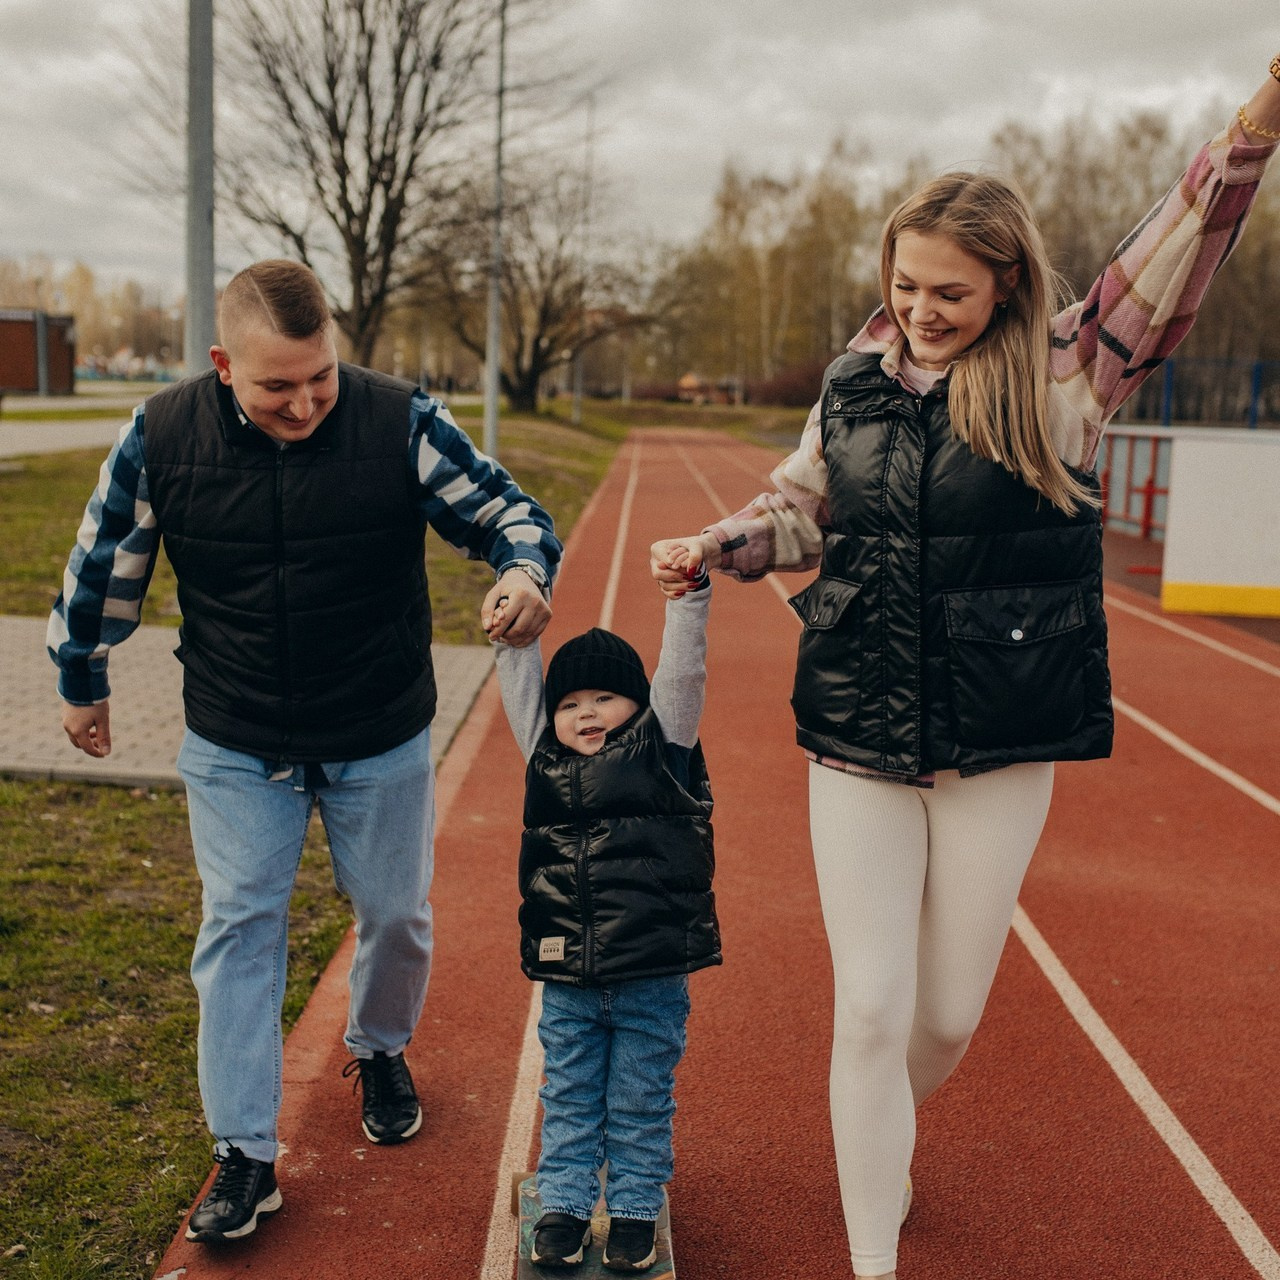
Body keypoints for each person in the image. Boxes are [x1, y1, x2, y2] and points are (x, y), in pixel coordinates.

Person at [651, 62, 1280, 1280]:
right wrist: (719, 542)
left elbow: (1182, 243)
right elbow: (795, 510)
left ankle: (890, 1123)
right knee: (873, 1007)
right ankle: (872, 1255)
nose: (922, 309)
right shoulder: (850, 385)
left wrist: (1249, 131)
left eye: (949, 290)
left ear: (1006, 284)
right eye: (903, 285)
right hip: (857, 730)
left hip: (1000, 738)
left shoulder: (1067, 384)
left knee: (941, 1018)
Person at [46, 259, 562, 1245]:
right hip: (238, 733)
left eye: (318, 375)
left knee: (396, 915)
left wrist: (525, 571)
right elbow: (102, 556)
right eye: (275, 384)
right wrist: (80, 674)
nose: (304, 401)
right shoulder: (163, 434)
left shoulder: (396, 419)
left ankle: (377, 1046)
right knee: (240, 926)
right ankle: (243, 1151)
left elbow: (507, 510)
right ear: (220, 364)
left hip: (378, 724)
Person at [488, 555, 720, 1272]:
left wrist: (687, 600)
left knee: (640, 1099)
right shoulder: (544, 763)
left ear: (639, 706)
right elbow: (524, 690)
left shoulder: (664, 751)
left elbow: (682, 675)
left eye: (604, 699)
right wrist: (511, 638)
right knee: (571, 1093)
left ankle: (633, 1207)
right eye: (569, 704)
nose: (584, 713)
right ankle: (561, 1199)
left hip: (650, 972)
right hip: (568, 975)